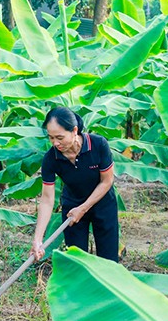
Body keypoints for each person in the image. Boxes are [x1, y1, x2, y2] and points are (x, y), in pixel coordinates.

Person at [31, 107, 119, 262]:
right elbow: (47, 199)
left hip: (103, 204)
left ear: (74, 130)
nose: (55, 143)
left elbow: (107, 181)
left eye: (60, 137)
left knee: (108, 259)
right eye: (51, 138)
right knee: (77, 260)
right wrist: (38, 240)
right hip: (72, 207)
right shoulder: (51, 159)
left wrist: (84, 208)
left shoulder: (98, 145)